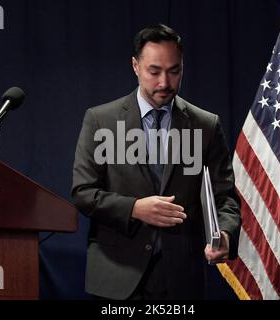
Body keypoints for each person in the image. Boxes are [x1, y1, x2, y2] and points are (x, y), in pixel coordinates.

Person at [71, 24, 241, 300]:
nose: (164, 82)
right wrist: (135, 208)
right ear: (135, 66)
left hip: (181, 280)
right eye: (154, 71)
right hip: (116, 277)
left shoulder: (207, 126)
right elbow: (83, 193)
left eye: (174, 71)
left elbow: (225, 197)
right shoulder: (100, 120)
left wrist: (225, 234)